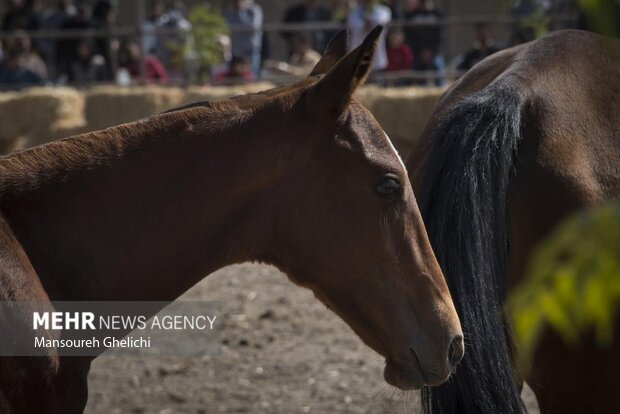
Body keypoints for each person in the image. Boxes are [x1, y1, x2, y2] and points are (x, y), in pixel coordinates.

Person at [403, 0, 445, 85]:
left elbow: (440, 36)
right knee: (413, 72)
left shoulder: (437, 14)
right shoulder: (412, 15)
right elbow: (410, 37)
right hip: (417, 53)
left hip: (434, 53)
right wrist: (421, 52)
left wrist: (431, 51)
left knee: (438, 69)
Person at [347, 0, 391, 72]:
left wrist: (369, 18)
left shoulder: (384, 11)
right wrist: (365, 21)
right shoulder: (354, 12)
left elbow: (380, 22)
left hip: (377, 58)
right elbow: (356, 25)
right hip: (358, 57)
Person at [225, 0, 263, 76]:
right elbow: (228, 27)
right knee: (235, 78)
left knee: (252, 76)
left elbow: (253, 28)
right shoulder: (231, 11)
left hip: (250, 51)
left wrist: (241, 11)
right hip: (236, 53)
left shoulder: (254, 9)